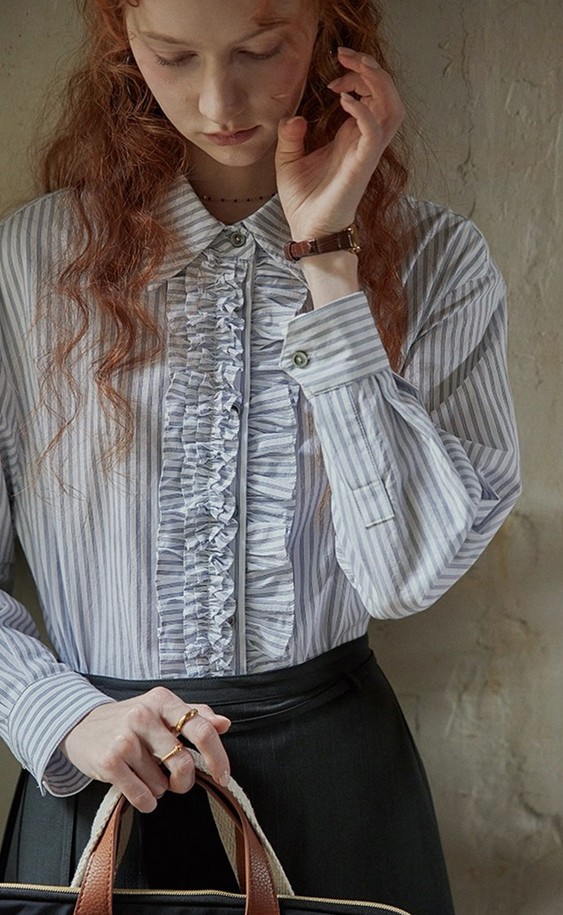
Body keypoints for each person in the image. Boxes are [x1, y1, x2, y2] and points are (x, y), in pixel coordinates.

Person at [0, 1, 521, 913]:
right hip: (98, 782)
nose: (217, 101)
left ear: (328, 30)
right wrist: (62, 714)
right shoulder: (33, 260)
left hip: (337, 793)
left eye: (259, 50)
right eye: (173, 57)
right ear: (124, 46)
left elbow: (402, 575)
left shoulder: (438, 261)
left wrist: (328, 260)